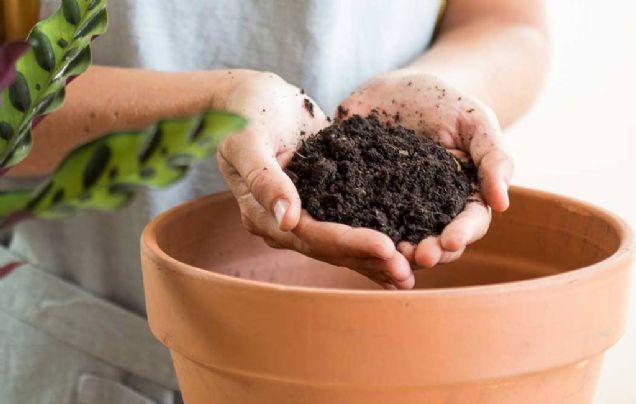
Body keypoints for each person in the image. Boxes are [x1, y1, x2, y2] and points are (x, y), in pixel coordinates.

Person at [0, 0, 549, 402]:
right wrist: (214, 105)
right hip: (102, 342)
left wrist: (436, 86)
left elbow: (505, 22)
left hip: (388, 358)